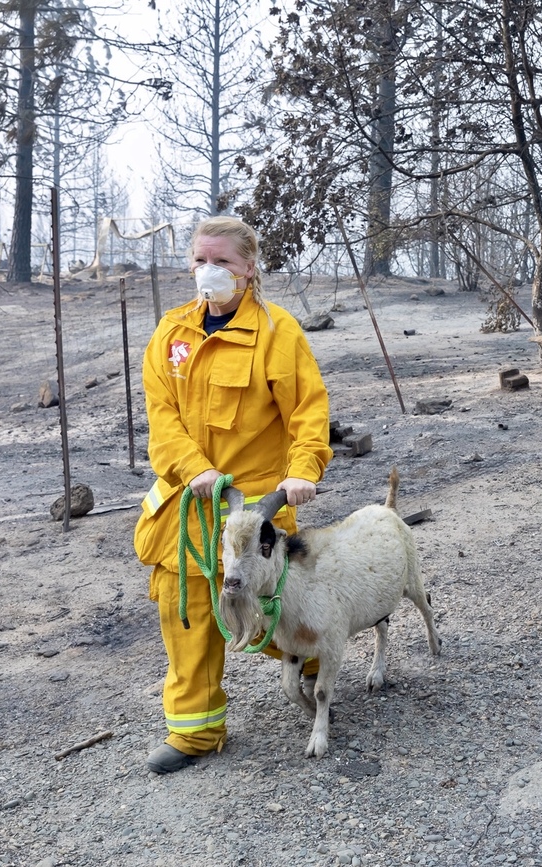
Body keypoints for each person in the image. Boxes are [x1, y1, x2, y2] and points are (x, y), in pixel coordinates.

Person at [133, 216, 333, 774]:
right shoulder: (171, 333)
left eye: (222, 262)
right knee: (189, 615)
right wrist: (193, 469)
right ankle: (194, 731)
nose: (208, 271)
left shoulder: (276, 332)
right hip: (186, 509)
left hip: (253, 515)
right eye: (200, 260)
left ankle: (318, 664)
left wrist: (303, 470)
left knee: (271, 611)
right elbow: (162, 421)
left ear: (248, 268)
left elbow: (308, 413)